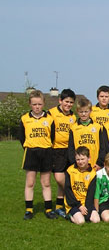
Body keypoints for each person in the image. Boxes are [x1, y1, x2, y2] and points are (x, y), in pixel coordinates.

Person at [19, 90, 57, 220]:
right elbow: (22, 138)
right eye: (34, 104)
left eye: (39, 104)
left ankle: (48, 209)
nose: (37, 107)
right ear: (30, 104)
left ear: (43, 104)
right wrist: (30, 147)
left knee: (46, 183)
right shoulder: (25, 119)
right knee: (30, 183)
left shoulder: (49, 118)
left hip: (46, 152)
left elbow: (52, 137)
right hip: (31, 152)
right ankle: (29, 210)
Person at [48, 88, 77, 218]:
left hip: (70, 151)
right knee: (60, 179)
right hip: (56, 150)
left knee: (66, 178)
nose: (68, 104)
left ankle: (60, 206)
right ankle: (72, 199)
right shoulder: (51, 113)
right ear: (60, 100)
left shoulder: (73, 116)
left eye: (71, 102)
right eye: (66, 101)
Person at [64, 146, 100, 225]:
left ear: (89, 158)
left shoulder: (92, 173)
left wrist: (87, 209)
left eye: (82, 159)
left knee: (96, 220)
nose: (80, 162)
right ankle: (69, 215)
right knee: (81, 221)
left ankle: (81, 214)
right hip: (73, 203)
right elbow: (68, 191)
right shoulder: (70, 170)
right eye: (78, 159)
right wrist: (79, 206)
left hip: (86, 203)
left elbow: (91, 194)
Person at [68, 98, 104, 170]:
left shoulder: (98, 127)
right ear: (77, 111)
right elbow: (71, 148)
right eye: (81, 112)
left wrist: (99, 163)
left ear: (90, 111)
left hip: (95, 165)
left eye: (86, 111)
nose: (83, 114)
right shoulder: (74, 128)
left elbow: (102, 147)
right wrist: (74, 163)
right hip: (80, 164)